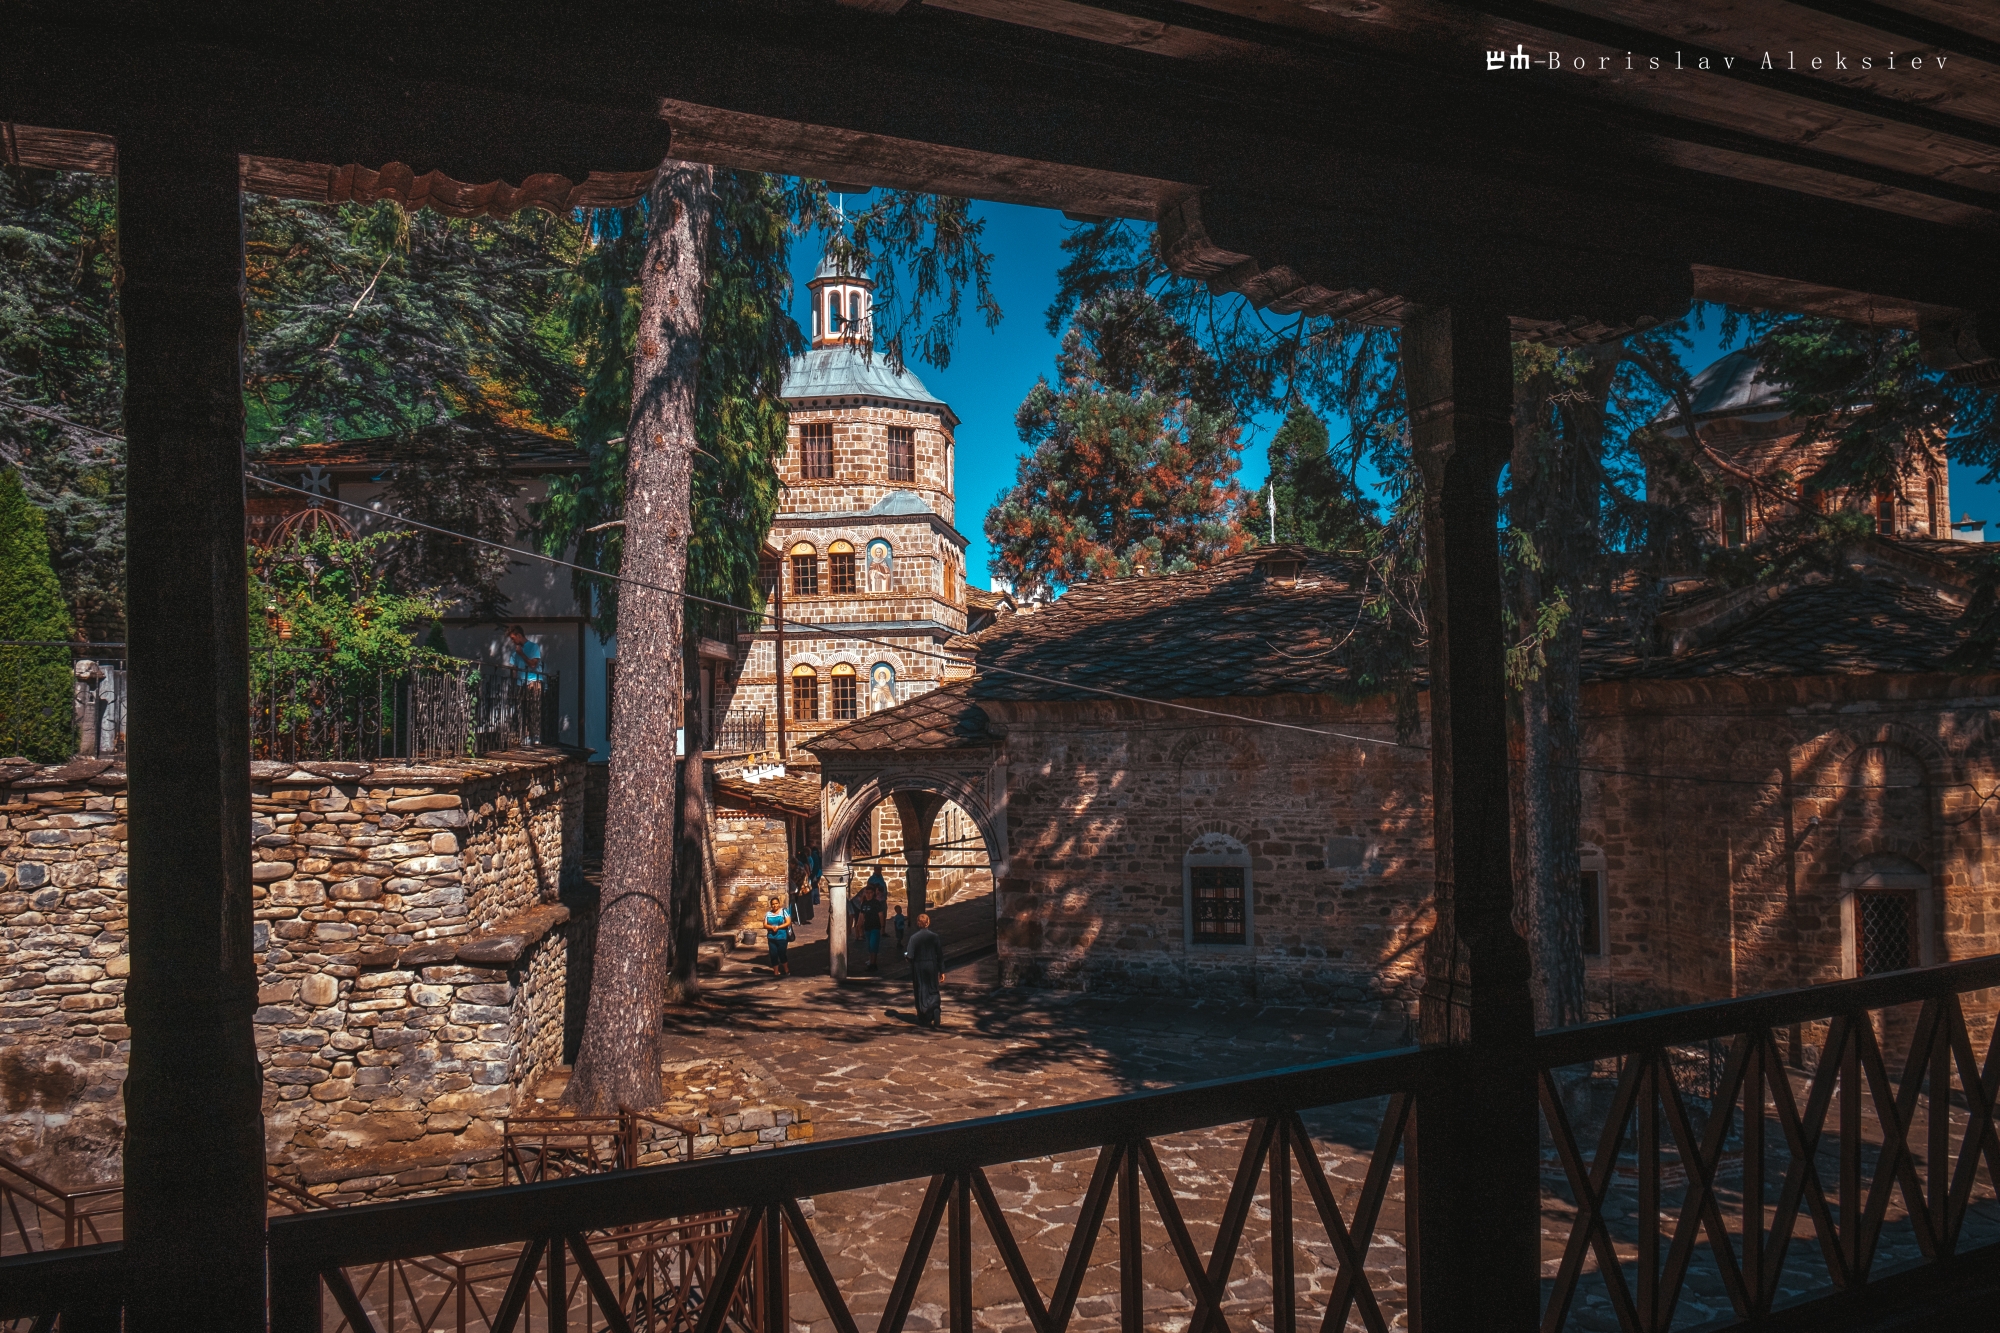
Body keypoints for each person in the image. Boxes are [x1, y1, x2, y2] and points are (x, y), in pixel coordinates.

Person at [905, 912, 944, 1027]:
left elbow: (910, 955)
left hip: (919, 966)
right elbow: (940, 955)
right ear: (928, 923)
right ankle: (935, 1007)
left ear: (918, 924)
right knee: (933, 987)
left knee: (921, 989)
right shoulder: (935, 937)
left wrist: (906, 957)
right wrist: (942, 970)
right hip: (932, 965)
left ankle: (923, 1014)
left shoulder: (914, 938)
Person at [763, 894, 794, 978]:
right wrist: (771, 927)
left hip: (782, 937)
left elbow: (788, 922)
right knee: (773, 954)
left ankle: (786, 970)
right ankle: (775, 972)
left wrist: (778, 927)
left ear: (779, 903)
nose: (774, 905)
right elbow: (765, 925)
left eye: (776, 903)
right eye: (773, 904)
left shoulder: (784, 912)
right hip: (771, 937)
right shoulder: (768, 914)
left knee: (782, 953)